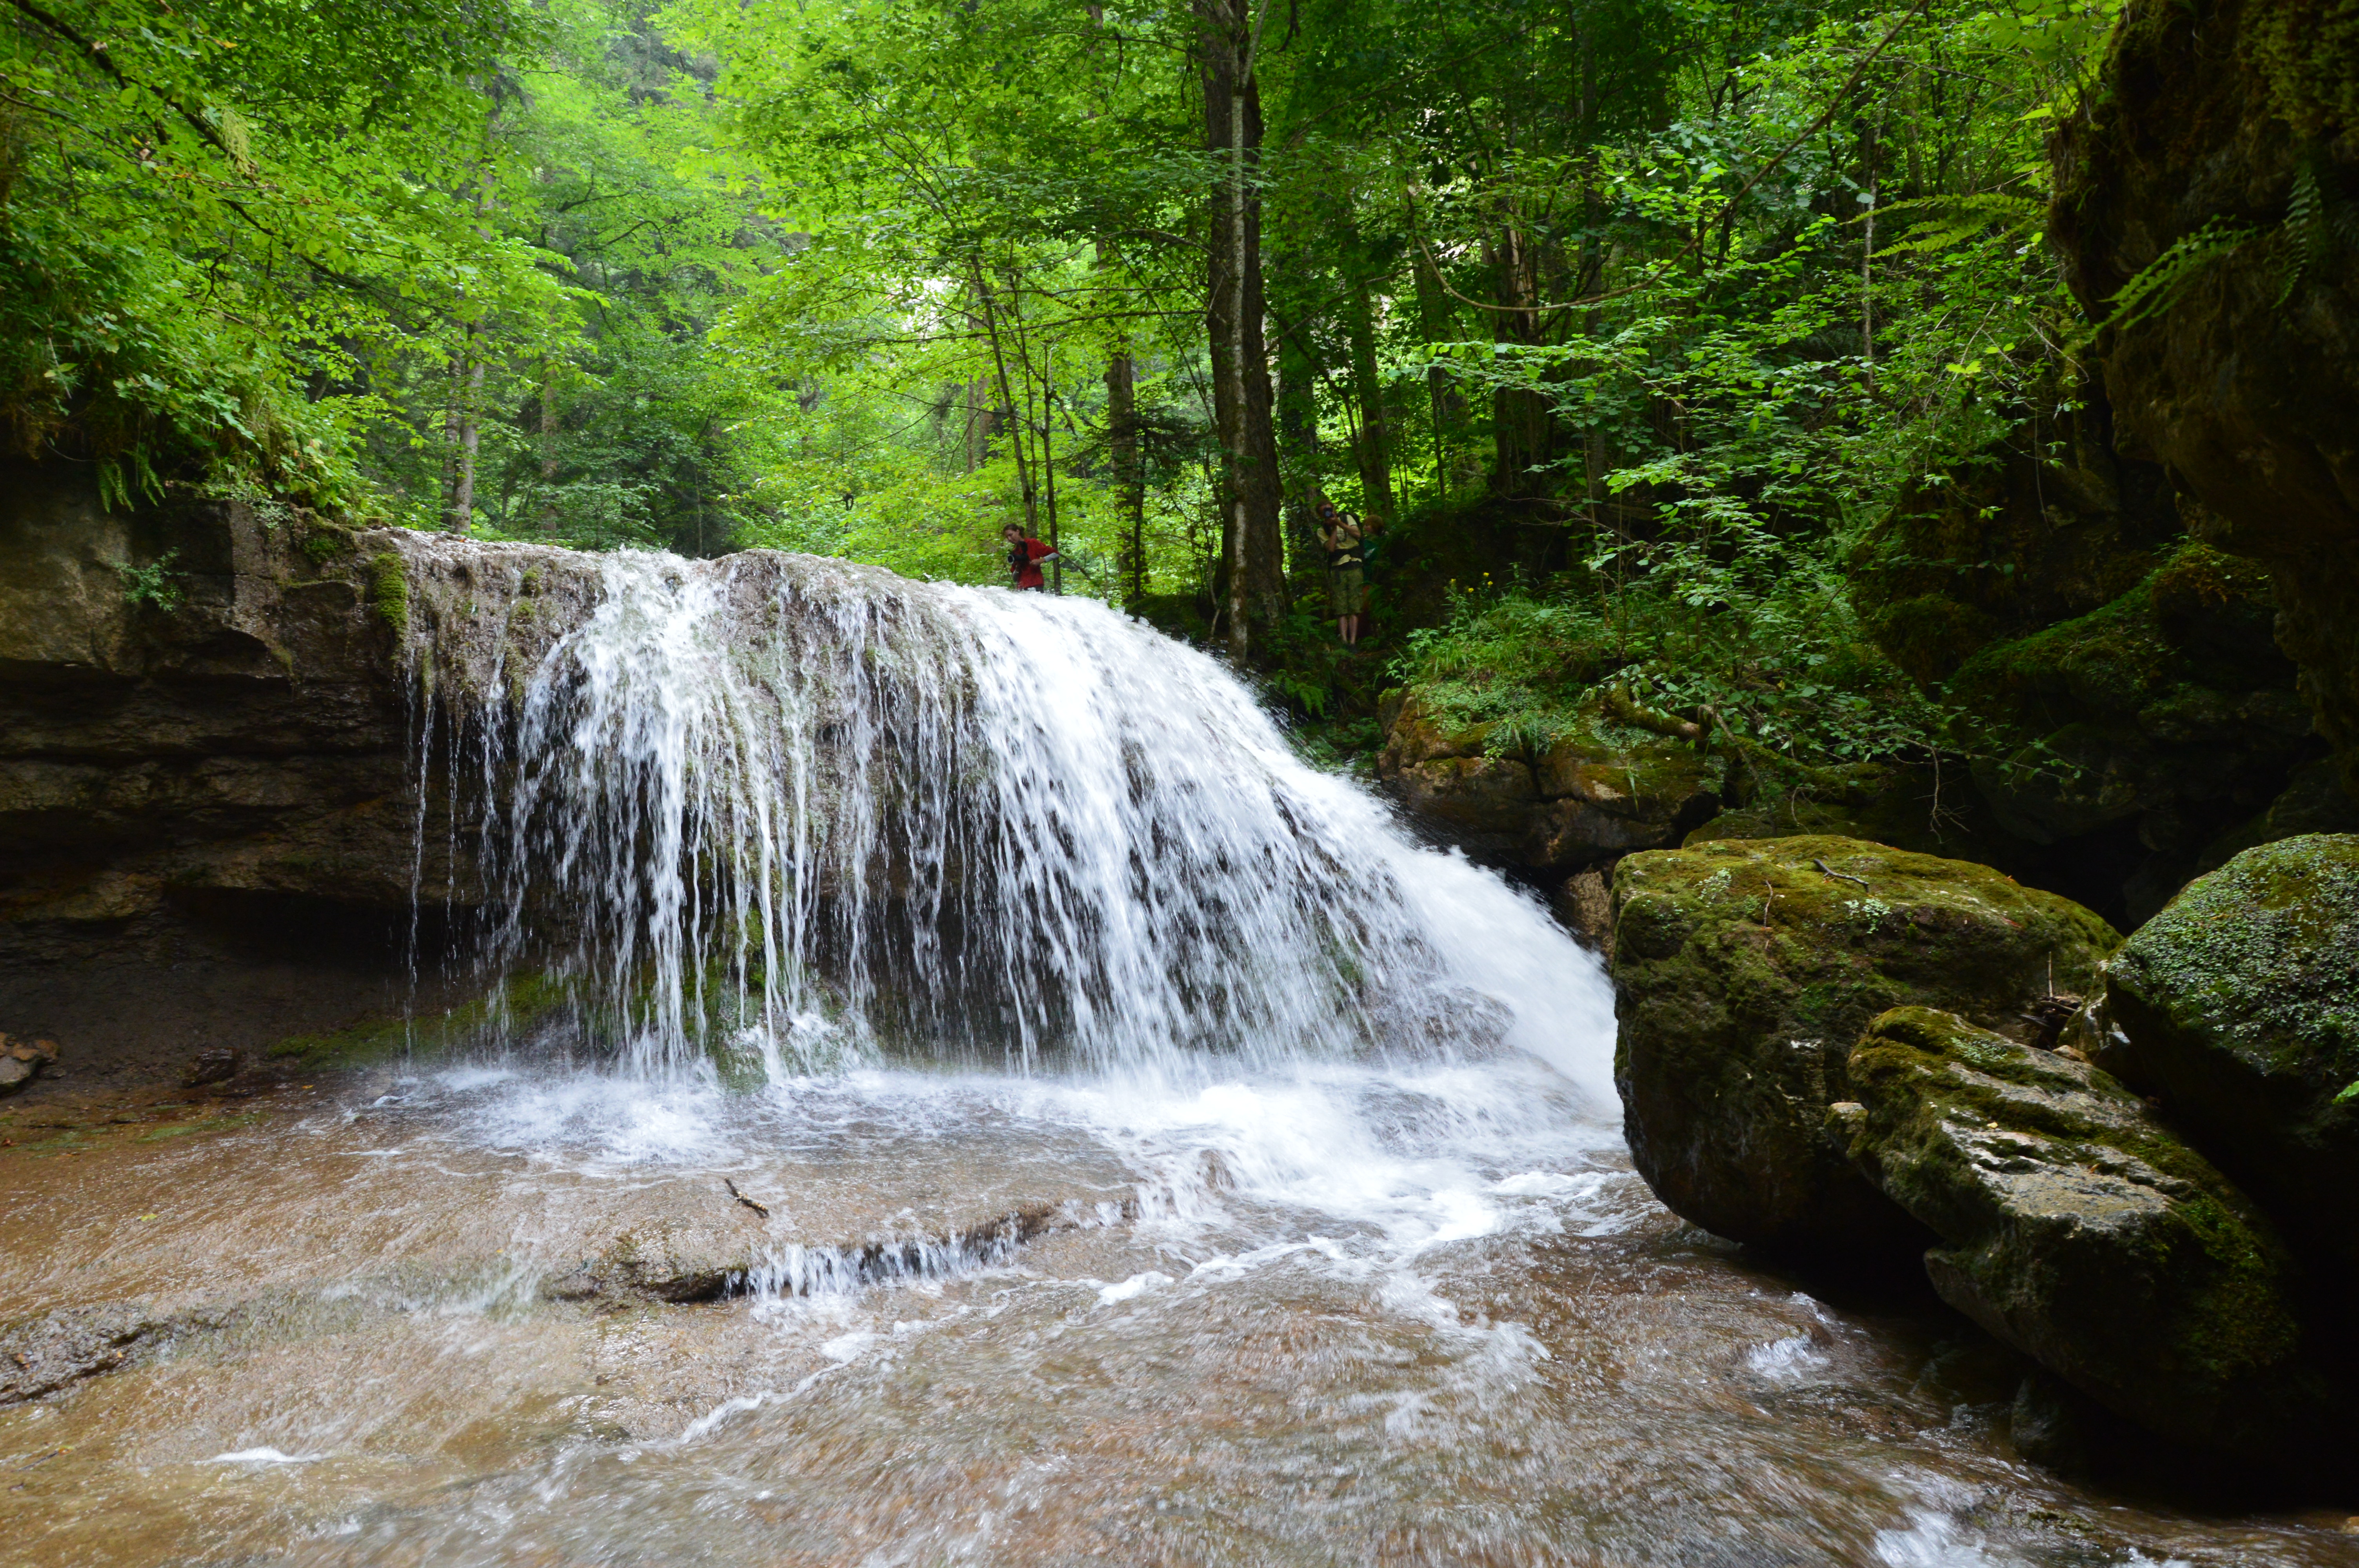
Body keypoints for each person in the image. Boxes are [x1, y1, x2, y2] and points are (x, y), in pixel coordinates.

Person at [1313, 495, 1377, 646]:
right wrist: (1334, 528)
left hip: (1355, 565)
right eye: (1325, 512)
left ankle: (1353, 642)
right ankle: (1344, 641)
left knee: (1355, 606)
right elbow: (1330, 548)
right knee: (1341, 608)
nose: (1329, 514)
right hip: (1338, 569)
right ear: (1320, 515)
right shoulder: (1322, 530)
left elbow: (1358, 535)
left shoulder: (1347, 518)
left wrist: (1339, 523)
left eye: (1330, 510)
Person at [1002, 522, 1058, 592]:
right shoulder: (1015, 552)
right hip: (1022, 589)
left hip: (1036, 586)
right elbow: (1015, 579)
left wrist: (1041, 561)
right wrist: (1017, 569)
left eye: (1011, 535)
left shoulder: (1032, 543)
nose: (1010, 539)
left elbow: (1056, 554)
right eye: (1007, 537)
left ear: (1018, 531)